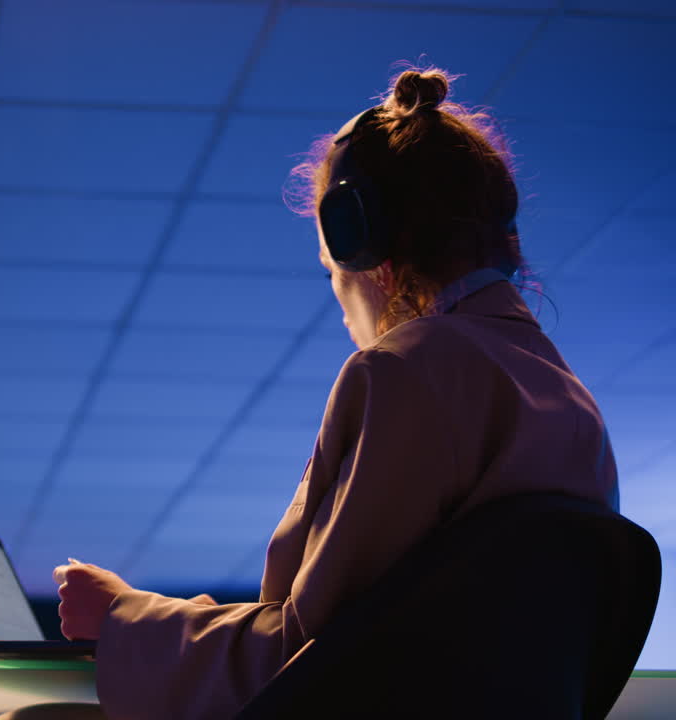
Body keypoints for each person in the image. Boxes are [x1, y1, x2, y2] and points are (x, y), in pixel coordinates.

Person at [46, 67, 620, 720]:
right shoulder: (572, 406)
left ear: (358, 240)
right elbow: (394, 639)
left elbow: (311, 661)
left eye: (330, 269)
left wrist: (122, 617)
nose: (337, 297)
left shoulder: (408, 372)